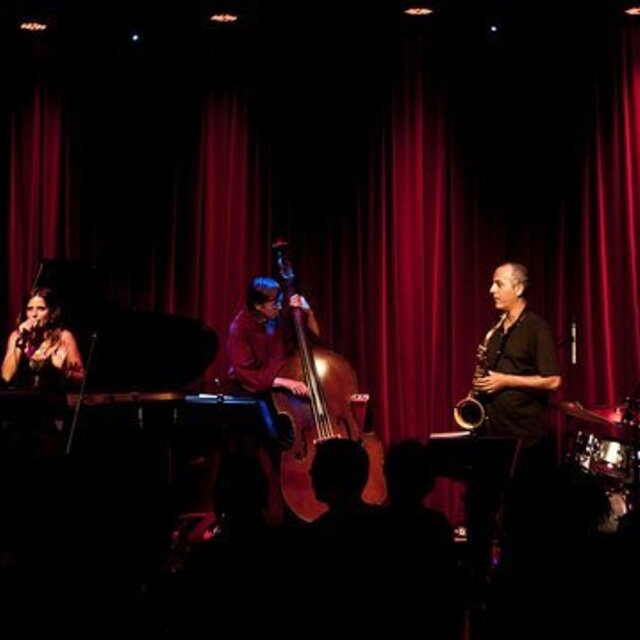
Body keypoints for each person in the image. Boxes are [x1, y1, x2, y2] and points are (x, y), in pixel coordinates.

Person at [464, 262, 562, 604]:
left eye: (498, 284)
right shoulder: (495, 331)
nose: (491, 290)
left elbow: (553, 380)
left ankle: (517, 590)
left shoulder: (536, 328)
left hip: (524, 440)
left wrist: (506, 380)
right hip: (491, 435)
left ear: (518, 289)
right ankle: (478, 584)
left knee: (520, 520)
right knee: (477, 509)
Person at [226, 276, 319, 398]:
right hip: (251, 392)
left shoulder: (278, 317)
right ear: (258, 306)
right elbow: (246, 375)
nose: (279, 307)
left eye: (280, 302)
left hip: (280, 384)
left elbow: (314, 338)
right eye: (274, 304)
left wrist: (308, 312)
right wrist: (285, 382)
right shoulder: (240, 328)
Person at [1, 287, 85, 389]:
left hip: (54, 397)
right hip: (23, 398)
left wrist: (64, 371)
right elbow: (6, 376)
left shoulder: (64, 337)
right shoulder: (17, 337)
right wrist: (23, 339)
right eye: (29, 309)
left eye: (41, 308)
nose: (34, 314)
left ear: (52, 313)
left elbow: (82, 378)